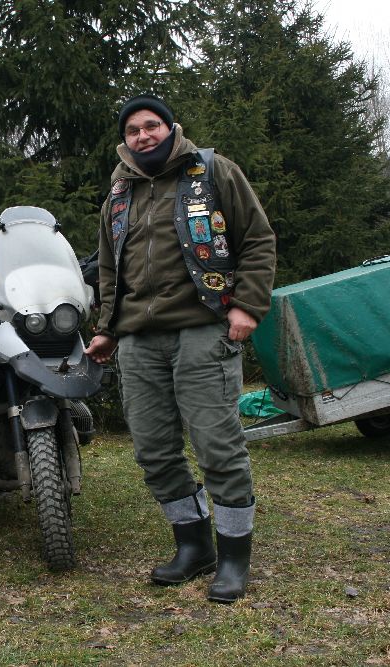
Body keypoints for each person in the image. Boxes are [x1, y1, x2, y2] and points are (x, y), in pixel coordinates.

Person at [85, 95, 276, 603]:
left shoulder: (212, 172)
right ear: (124, 141)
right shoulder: (119, 194)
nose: (143, 135)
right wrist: (107, 328)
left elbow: (257, 240)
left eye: (152, 125)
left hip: (203, 328)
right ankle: (194, 546)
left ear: (171, 129)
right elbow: (110, 269)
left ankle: (233, 557)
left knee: (217, 446)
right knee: (153, 450)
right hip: (138, 339)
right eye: (132, 130)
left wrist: (247, 306)